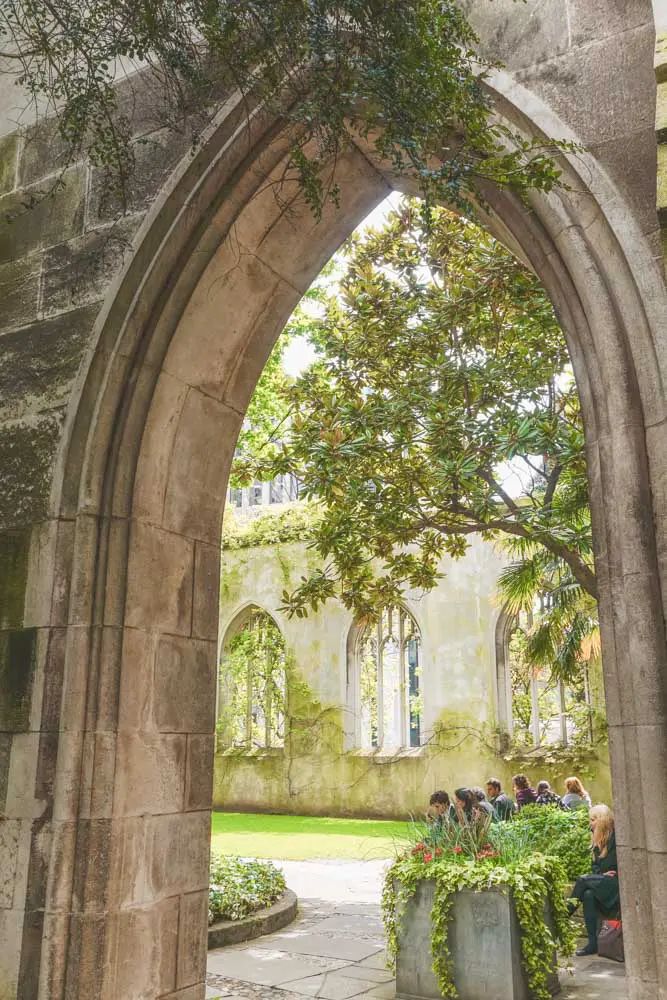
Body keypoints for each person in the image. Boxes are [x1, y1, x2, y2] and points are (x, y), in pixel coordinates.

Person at [567, 804, 620, 956]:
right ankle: (592, 944)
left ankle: (563, 916)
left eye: (593, 820)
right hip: (604, 882)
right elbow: (595, 867)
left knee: (582, 880)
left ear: (602, 820)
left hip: (616, 885)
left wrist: (605, 875)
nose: (591, 823)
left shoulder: (616, 838)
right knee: (588, 895)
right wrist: (602, 874)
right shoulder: (597, 838)